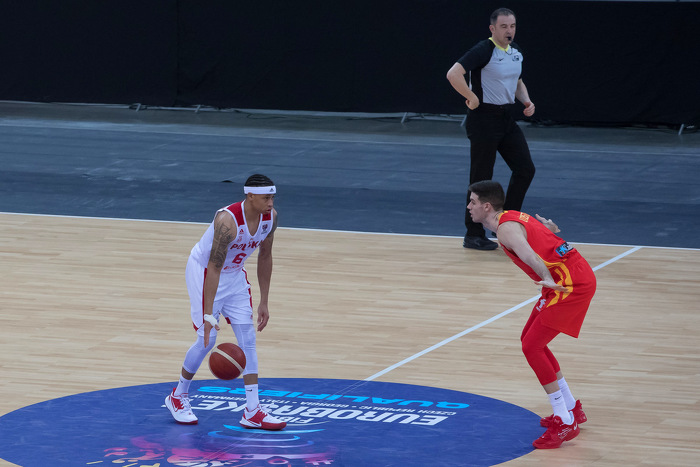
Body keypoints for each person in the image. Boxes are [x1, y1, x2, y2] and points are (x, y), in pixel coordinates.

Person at [467, 180, 596, 449]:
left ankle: (564, 421)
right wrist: (550, 230)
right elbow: (539, 236)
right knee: (530, 339)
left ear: (487, 206)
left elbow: (529, 255)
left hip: (569, 285)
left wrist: (547, 279)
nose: (469, 206)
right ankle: (571, 408)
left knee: (532, 346)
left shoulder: (506, 229)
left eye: (473, 202)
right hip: (565, 279)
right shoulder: (511, 217)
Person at [165, 173, 286, 431]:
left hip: (234, 273)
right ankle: (178, 396)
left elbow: (265, 256)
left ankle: (252, 411)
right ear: (250, 196)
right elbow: (214, 266)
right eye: (266, 198)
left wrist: (264, 301)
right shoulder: (227, 221)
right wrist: (209, 314)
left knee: (248, 338)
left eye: (273, 198)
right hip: (205, 271)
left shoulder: (270, 218)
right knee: (206, 339)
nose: (270, 203)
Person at [447, 7, 536, 251]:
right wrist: (471, 97)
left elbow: (517, 81)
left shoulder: (516, 51)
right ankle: (473, 234)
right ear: (492, 28)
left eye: (512, 26)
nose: (509, 31)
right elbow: (453, 74)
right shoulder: (484, 50)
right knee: (481, 178)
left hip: (505, 117)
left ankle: (508, 225)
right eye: (504, 26)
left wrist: (526, 101)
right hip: (483, 119)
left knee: (525, 169)